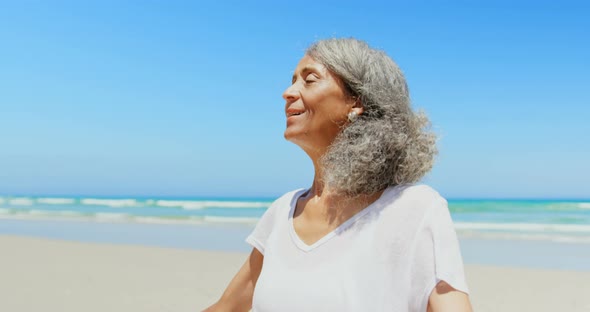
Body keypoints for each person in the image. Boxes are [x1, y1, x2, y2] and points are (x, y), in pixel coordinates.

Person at [204, 38, 472, 312]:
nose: (287, 92)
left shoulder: (414, 209)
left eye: (309, 80)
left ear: (355, 102)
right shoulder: (282, 211)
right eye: (292, 80)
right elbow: (226, 307)